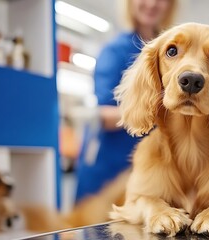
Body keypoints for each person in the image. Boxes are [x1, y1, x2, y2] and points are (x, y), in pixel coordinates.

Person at [75, 0, 178, 202]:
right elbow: (104, 115)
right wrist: (161, 113)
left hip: (154, 170)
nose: (152, 3)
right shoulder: (115, 51)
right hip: (110, 170)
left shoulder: (171, 50)